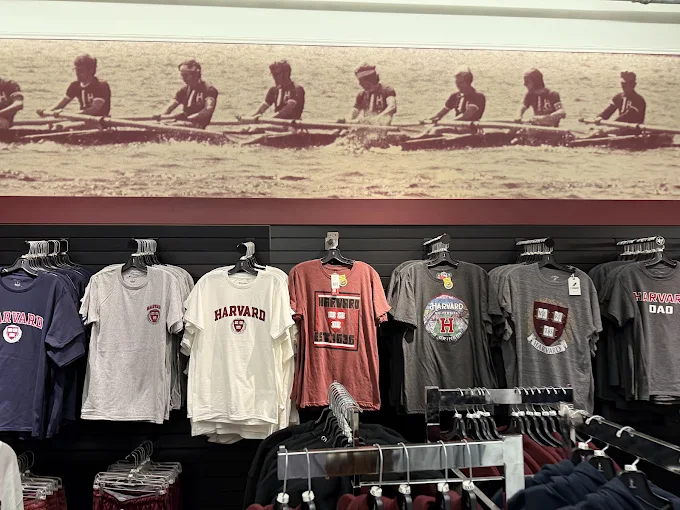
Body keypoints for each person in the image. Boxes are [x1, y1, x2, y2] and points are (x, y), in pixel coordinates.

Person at [39, 54, 111, 117]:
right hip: (82, 119)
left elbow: (94, 110)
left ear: (91, 71)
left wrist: (68, 115)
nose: (77, 73)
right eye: (76, 70)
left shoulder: (101, 85)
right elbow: (61, 105)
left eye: (80, 70)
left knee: (61, 126)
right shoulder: (75, 85)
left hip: (100, 122)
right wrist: (47, 112)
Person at [158, 60, 218, 129]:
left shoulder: (209, 90)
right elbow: (169, 107)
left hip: (197, 125)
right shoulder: (183, 90)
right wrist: (160, 116)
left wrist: (188, 118)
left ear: (195, 74)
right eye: (182, 75)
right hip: (183, 123)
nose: (183, 78)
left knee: (166, 126)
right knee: (159, 124)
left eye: (185, 75)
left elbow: (208, 110)